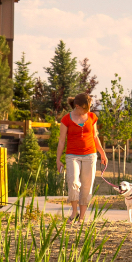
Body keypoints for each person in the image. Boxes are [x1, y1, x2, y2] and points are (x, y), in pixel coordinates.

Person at [55, 93, 108, 223]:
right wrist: (58, 159)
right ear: (77, 106)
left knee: (87, 186)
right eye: (85, 108)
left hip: (90, 155)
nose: (88, 110)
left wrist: (102, 153)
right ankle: (74, 212)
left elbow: (95, 137)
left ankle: (82, 218)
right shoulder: (66, 120)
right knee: (73, 182)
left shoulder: (92, 117)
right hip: (72, 155)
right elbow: (61, 141)